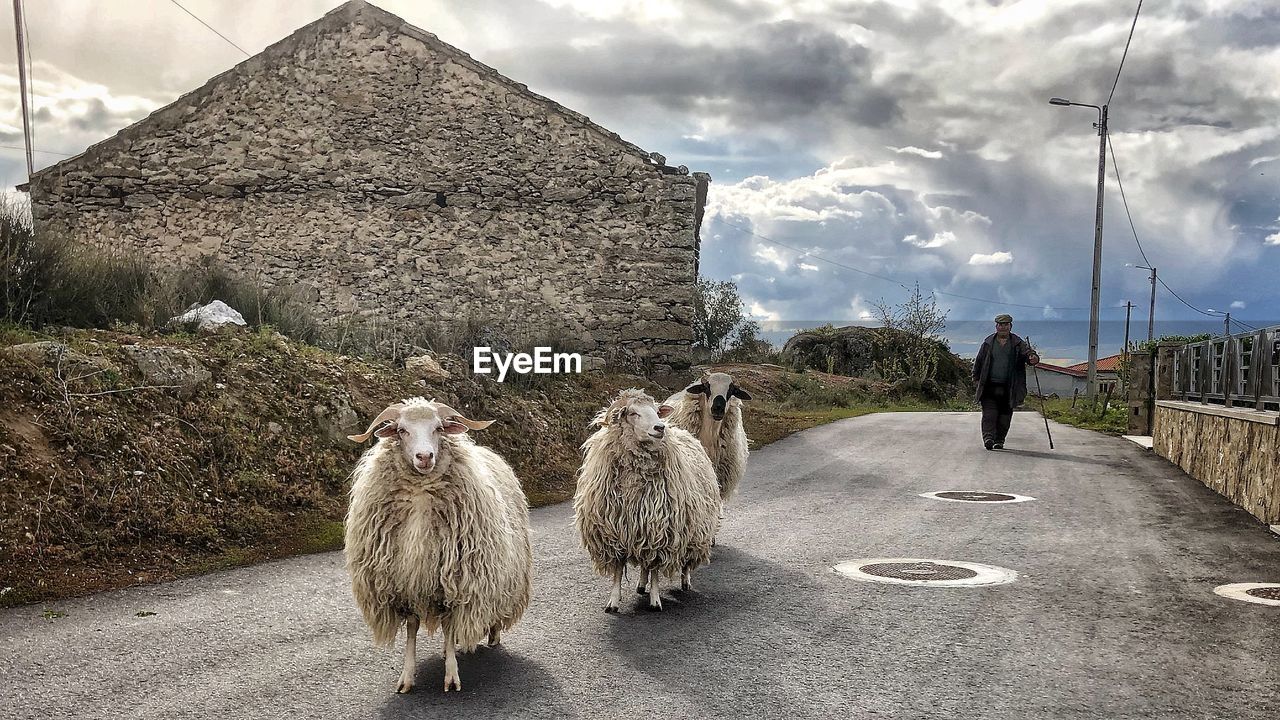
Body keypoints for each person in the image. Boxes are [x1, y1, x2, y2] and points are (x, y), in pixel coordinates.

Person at [972, 313, 1040, 450]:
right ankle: (988, 438)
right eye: (1000, 325)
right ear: (996, 326)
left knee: (1005, 416)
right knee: (989, 415)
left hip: (1009, 387)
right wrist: (976, 378)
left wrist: (1033, 358)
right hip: (989, 386)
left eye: (1006, 325)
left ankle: (999, 440)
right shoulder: (988, 343)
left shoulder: (1017, 343)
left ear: (1010, 326)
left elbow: (1028, 354)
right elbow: (979, 361)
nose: (1003, 327)